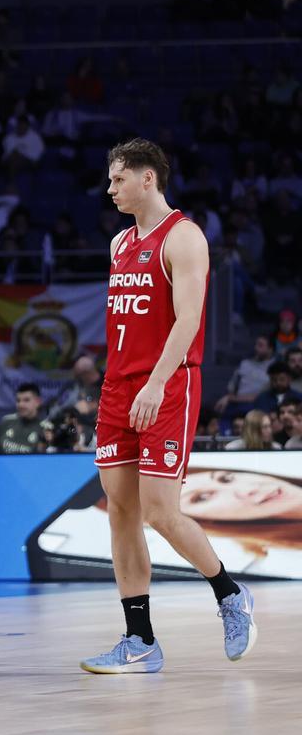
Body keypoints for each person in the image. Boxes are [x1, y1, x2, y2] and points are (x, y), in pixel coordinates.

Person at [83, 138, 255, 675]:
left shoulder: (183, 238)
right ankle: (140, 639)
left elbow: (187, 321)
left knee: (160, 510)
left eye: (117, 179)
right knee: (121, 512)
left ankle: (229, 593)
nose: (110, 189)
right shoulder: (118, 244)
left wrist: (155, 384)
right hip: (117, 388)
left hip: (168, 385)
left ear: (147, 179)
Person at [214, 335, 276, 416]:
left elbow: (260, 396)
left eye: (260, 345)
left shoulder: (274, 367)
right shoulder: (245, 364)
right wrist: (229, 397)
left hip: (259, 406)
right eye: (256, 345)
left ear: (270, 349)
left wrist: (230, 398)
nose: (256, 348)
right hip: (237, 404)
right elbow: (232, 387)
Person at [0, 383, 49, 453]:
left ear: (38, 402)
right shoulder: (6, 422)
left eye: (26, 400)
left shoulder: (45, 427)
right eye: (18, 400)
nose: (21, 405)